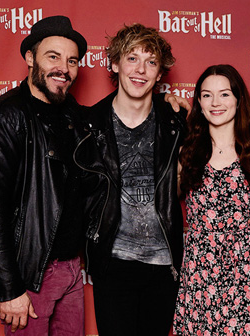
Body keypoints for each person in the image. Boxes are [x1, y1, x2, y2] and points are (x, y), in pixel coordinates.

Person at [0, 16, 89, 335]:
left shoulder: (72, 114)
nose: (63, 67)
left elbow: (118, 113)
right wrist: (9, 289)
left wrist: (163, 102)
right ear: (30, 58)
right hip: (31, 273)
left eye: (72, 60)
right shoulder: (4, 118)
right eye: (53, 56)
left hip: (72, 270)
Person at [73, 23, 187, 336]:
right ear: (114, 63)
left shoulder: (176, 121)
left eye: (151, 62)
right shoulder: (87, 125)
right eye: (132, 58)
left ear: (160, 73)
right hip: (112, 263)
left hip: (163, 266)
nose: (141, 70)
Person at [173, 64, 250, 335]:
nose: (216, 102)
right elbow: (157, 203)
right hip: (198, 276)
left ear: (239, 101)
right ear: (199, 103)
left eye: (225, 94)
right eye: (206, 95)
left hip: (245, 276)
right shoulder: (186, 155)